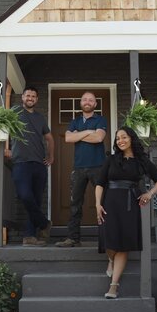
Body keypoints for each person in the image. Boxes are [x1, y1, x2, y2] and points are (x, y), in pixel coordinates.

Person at [95, 126, 157, 299]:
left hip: (130, 205)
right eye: (117, 139)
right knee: (110, 240)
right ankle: (110, 259)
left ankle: (114, 286)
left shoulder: (142, 161)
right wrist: (97, 204)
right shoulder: (111, 159)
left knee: (123, 245)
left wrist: (149, 193)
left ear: (131, 138)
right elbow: (100, 183)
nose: (120, 141)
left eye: (123, 137)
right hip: (110, 202)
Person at [55, 91, 108, 247]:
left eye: (91, 100)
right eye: (84, 99)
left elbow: (99, 137)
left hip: (98, 166)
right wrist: (87, 132)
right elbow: (68, 138)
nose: (87, 102)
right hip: (78, 168)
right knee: (75, 204)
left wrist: (78, 135)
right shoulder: (75, 121)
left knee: (104, 202)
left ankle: (106, 237)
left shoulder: (100, 119)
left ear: (95, 104)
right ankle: (73, 238)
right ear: (81, 103)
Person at [7, 86, 54, 246]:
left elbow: (49, 138)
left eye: (33, 96)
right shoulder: (15, 111)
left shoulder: (41, 118)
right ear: (23, 97)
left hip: (39, 164)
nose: (30, 98)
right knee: (25, 196)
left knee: (36, 200)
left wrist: (51, 156)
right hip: (21, 163)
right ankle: (44, 223)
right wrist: (5, 148)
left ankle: (29, 236)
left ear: (37, 99)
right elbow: (2, 124)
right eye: (28, 95)